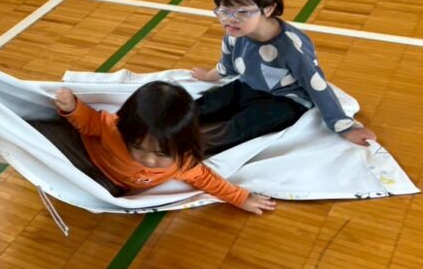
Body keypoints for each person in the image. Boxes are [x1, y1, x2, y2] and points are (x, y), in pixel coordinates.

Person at [191, 0, 376, 153]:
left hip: (286, 100)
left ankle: (180, 152)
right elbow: (228, 65)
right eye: (223, 11)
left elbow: (317, 86)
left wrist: (345, 127)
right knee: (204, 105)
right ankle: (163, 128)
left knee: (238, 128)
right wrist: (209, 75)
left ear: (268, 9)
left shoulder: (291, 48)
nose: (229, 19)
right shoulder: (234, 34)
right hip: (249, 87)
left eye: (242, 12)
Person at [35, 81, 276, 214]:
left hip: (110, 183)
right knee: (36, 131)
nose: (148, 160)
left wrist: (240, 198)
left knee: (91, 197)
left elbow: (209, 180)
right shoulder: (114, 128)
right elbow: (89, 123)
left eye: (161, 154)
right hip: (82, 149)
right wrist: (71, 107)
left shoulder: (184, 162)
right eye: (138, 147)